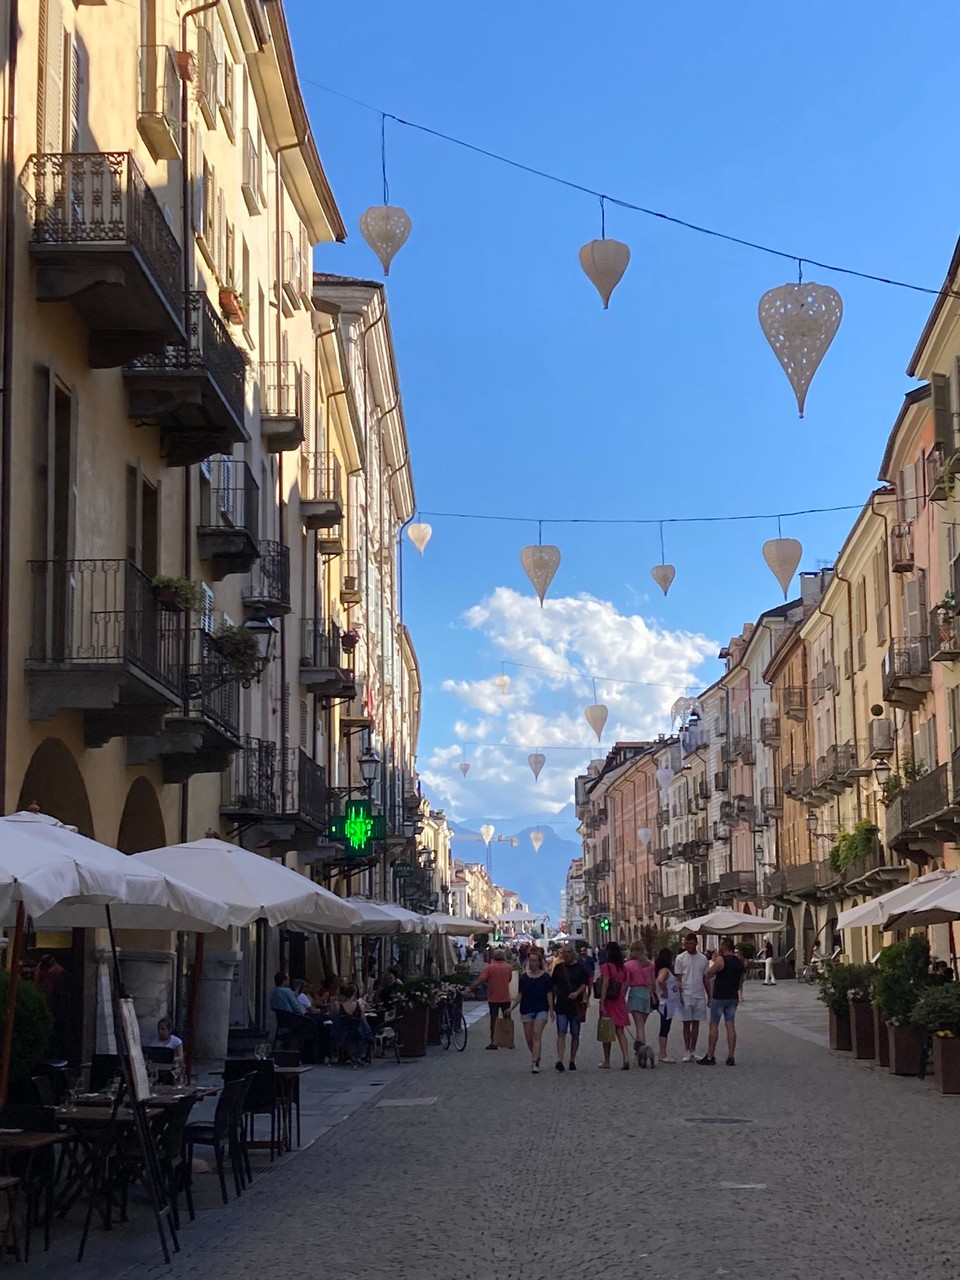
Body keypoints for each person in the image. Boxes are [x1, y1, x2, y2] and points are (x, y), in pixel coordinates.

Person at [699, 936, 746, 1066]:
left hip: (719, 997)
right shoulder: (739, 961)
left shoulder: (721, 960)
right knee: (730, 1025)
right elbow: (741, 980)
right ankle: (731, 1056)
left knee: (714, 1025)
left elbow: (709, 973)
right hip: (732, 997)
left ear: (724, 947)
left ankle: (710, 1056)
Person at [512, 949, 554, 1073]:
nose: (532, 963)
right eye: (530, 960)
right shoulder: (524, 977)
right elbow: (520, 994)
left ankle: (535, 1062)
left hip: (541, 1008)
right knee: (529, 1039)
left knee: (536, 1035)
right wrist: (512, 1007)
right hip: (526, 1009)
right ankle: (536, 1055)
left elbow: (549, 994)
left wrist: (551, 1009)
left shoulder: (545, 977)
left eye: (535, 961)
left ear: (539, 962)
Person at [551, 941, 589, 1072]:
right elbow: (553, 987)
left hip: (575, 1005)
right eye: (564, 952)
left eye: (568, 952)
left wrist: (577, 993)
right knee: (561, 1032)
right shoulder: (558, 968)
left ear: (573, 954)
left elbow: (584, 984)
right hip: (561, 1004)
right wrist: (552, 1005)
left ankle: (572, 1060)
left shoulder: (580, 967)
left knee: (575, 1033)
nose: (566, 955)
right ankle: (560, 1060)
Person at [466, 948, 514, 1049]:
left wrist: (470, 988)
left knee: (494, 1020)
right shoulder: (508, 967)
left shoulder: (489, 968)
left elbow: (481, 979)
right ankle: (509, 1041)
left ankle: (494, 1042)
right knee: (507, 1019)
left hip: (494, 997)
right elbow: (509, 979)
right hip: (505, 996)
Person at [675, 933, 711, 1063]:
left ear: (696, 943)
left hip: (699, 994)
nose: (688, 946)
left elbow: (706, 978)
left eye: (691, 943)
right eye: (687, 944)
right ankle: (686, 1050)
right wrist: (679, 995)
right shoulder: (680, 959)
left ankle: (693, 1049)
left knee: (696, 1023)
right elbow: (678, 979)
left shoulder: (703, 959)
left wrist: (709, 996)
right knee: (686, 1023)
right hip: (686, 994)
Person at [598, 940, 630, 1070]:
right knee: (620, 1031)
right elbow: (626, 984)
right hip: (619, 1001)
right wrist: (621, 996)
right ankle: (626, 1057)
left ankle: (607, 1060)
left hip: (609, 1002)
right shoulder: (623, 967)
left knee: (606, 1032)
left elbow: (605, 983)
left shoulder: (606, 967)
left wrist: (602, 1001)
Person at [624, 941, 656, 1051]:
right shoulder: (650, 965)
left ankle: (642, 1049)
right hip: (647, 994)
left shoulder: (628, 965)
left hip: (635, 993)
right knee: (641, 1024)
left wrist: (622, 996)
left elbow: (626, 983)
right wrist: (654, 996)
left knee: (639, 1025)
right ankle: (638, 1050)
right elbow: (653, 982)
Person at [654, 947, 681, 1064]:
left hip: (669, 1003)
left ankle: (663, 1052)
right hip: (666, 1003)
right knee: (665, 1027)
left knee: (666, 1026)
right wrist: (664, 991)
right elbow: (660, 980)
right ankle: (662, 1053)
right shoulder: (665, 970)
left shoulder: (663, 969)